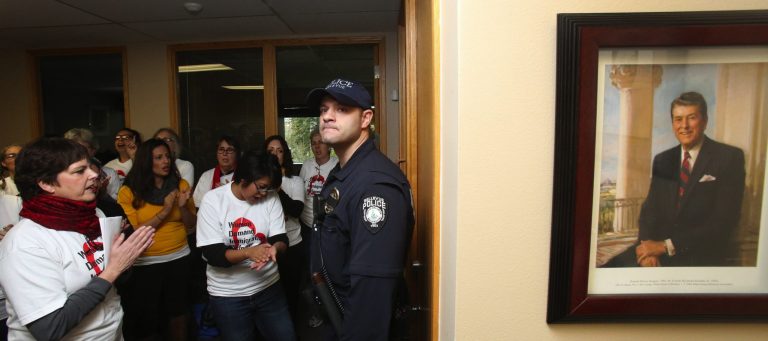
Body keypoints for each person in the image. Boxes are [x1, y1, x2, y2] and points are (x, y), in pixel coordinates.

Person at [0, 137, 154, 340]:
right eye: (80, 171)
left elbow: (109, 280)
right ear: (46, 183)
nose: (95, 174)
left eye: (90, 167)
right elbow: (50, 328)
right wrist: (113, 269)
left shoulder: (94, 214)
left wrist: (125, 258)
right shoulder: (26, 242)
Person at [305, 78, 414, 339]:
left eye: (341, 109)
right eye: (323, 109)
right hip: (333, 317)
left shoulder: (375, 186)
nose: (327, 116)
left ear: (365, 119)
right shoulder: (344, 173)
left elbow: (371, 298)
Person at [606, 92, 746, 267]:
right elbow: (650, 211)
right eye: (678, 119)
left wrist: (665, 246)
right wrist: (647, 249)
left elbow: (724, 221)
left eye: (691, 118)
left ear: (704, 121)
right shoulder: (663, 160)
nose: (684, 126)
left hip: (700, 255)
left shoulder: (729, 157)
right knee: (607, 270)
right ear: (673, 123)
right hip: (655, 250)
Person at [196, 151, 296, 341]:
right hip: (228, 296)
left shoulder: (271, 197)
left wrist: (275, 249)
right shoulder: (213, 201)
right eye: (261, 187)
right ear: (243, 178)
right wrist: (249, 252)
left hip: (268, 288)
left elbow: (281, 238)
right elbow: (213, 254)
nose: (264, 193)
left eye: (268, 188)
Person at [117, 138, 197, 340]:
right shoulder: (128, 191)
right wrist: (165, 210)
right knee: (148, 318)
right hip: (146, 262)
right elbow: (135, 232)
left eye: (167, 156)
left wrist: (181, 207)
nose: (166, 161)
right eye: (159, 157)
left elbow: (191, 225)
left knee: (179, 312)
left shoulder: (181, 184)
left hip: (179, 258)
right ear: (146, 161)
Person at [265, 134, 305, 331]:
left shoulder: (295, 181)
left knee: (290, 294)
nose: (275, 154)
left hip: (293, 245)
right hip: (266, 247)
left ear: (285, 155)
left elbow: (296, 210)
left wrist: (277, 188)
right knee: (269, 296)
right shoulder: (259, 181)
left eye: (279, 151)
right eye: (271, 151)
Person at [64, 128, 121, 200]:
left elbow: (115, 203)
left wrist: (102, 193)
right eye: (73, 148)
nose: (77, 152)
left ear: (93, 150)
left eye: (83, 148)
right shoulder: (62, 174)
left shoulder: (110, 174)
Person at [193, 136, 240, 208]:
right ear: (216, 153)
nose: (225, 153)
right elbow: (198, 205)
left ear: (237, 153)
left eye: (229, 150)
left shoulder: (243, 176)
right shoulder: (206, 176)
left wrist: (229, 195)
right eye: (221, 149)